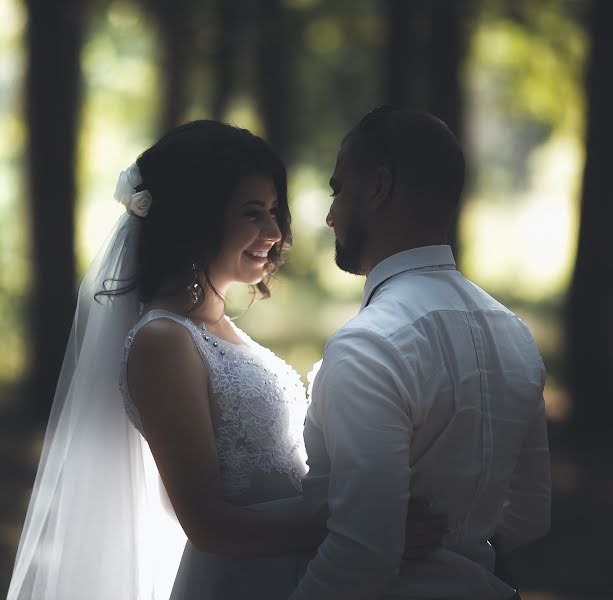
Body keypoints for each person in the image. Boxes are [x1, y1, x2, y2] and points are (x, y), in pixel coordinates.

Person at [8, 119, 439, 600]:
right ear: (198, 219)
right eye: (253, 214)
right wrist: (347, 526)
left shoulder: (224, 333)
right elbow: (204, 522)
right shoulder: (163, 342)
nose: (275, 232)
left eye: (275, 212)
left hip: (289, 572)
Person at [288, 107, 552, 600]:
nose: (329, 214)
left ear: (378, 188)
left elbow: (360, 555)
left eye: (337, 189)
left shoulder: (369, 345)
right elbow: (531, 514)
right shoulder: (515, 333)